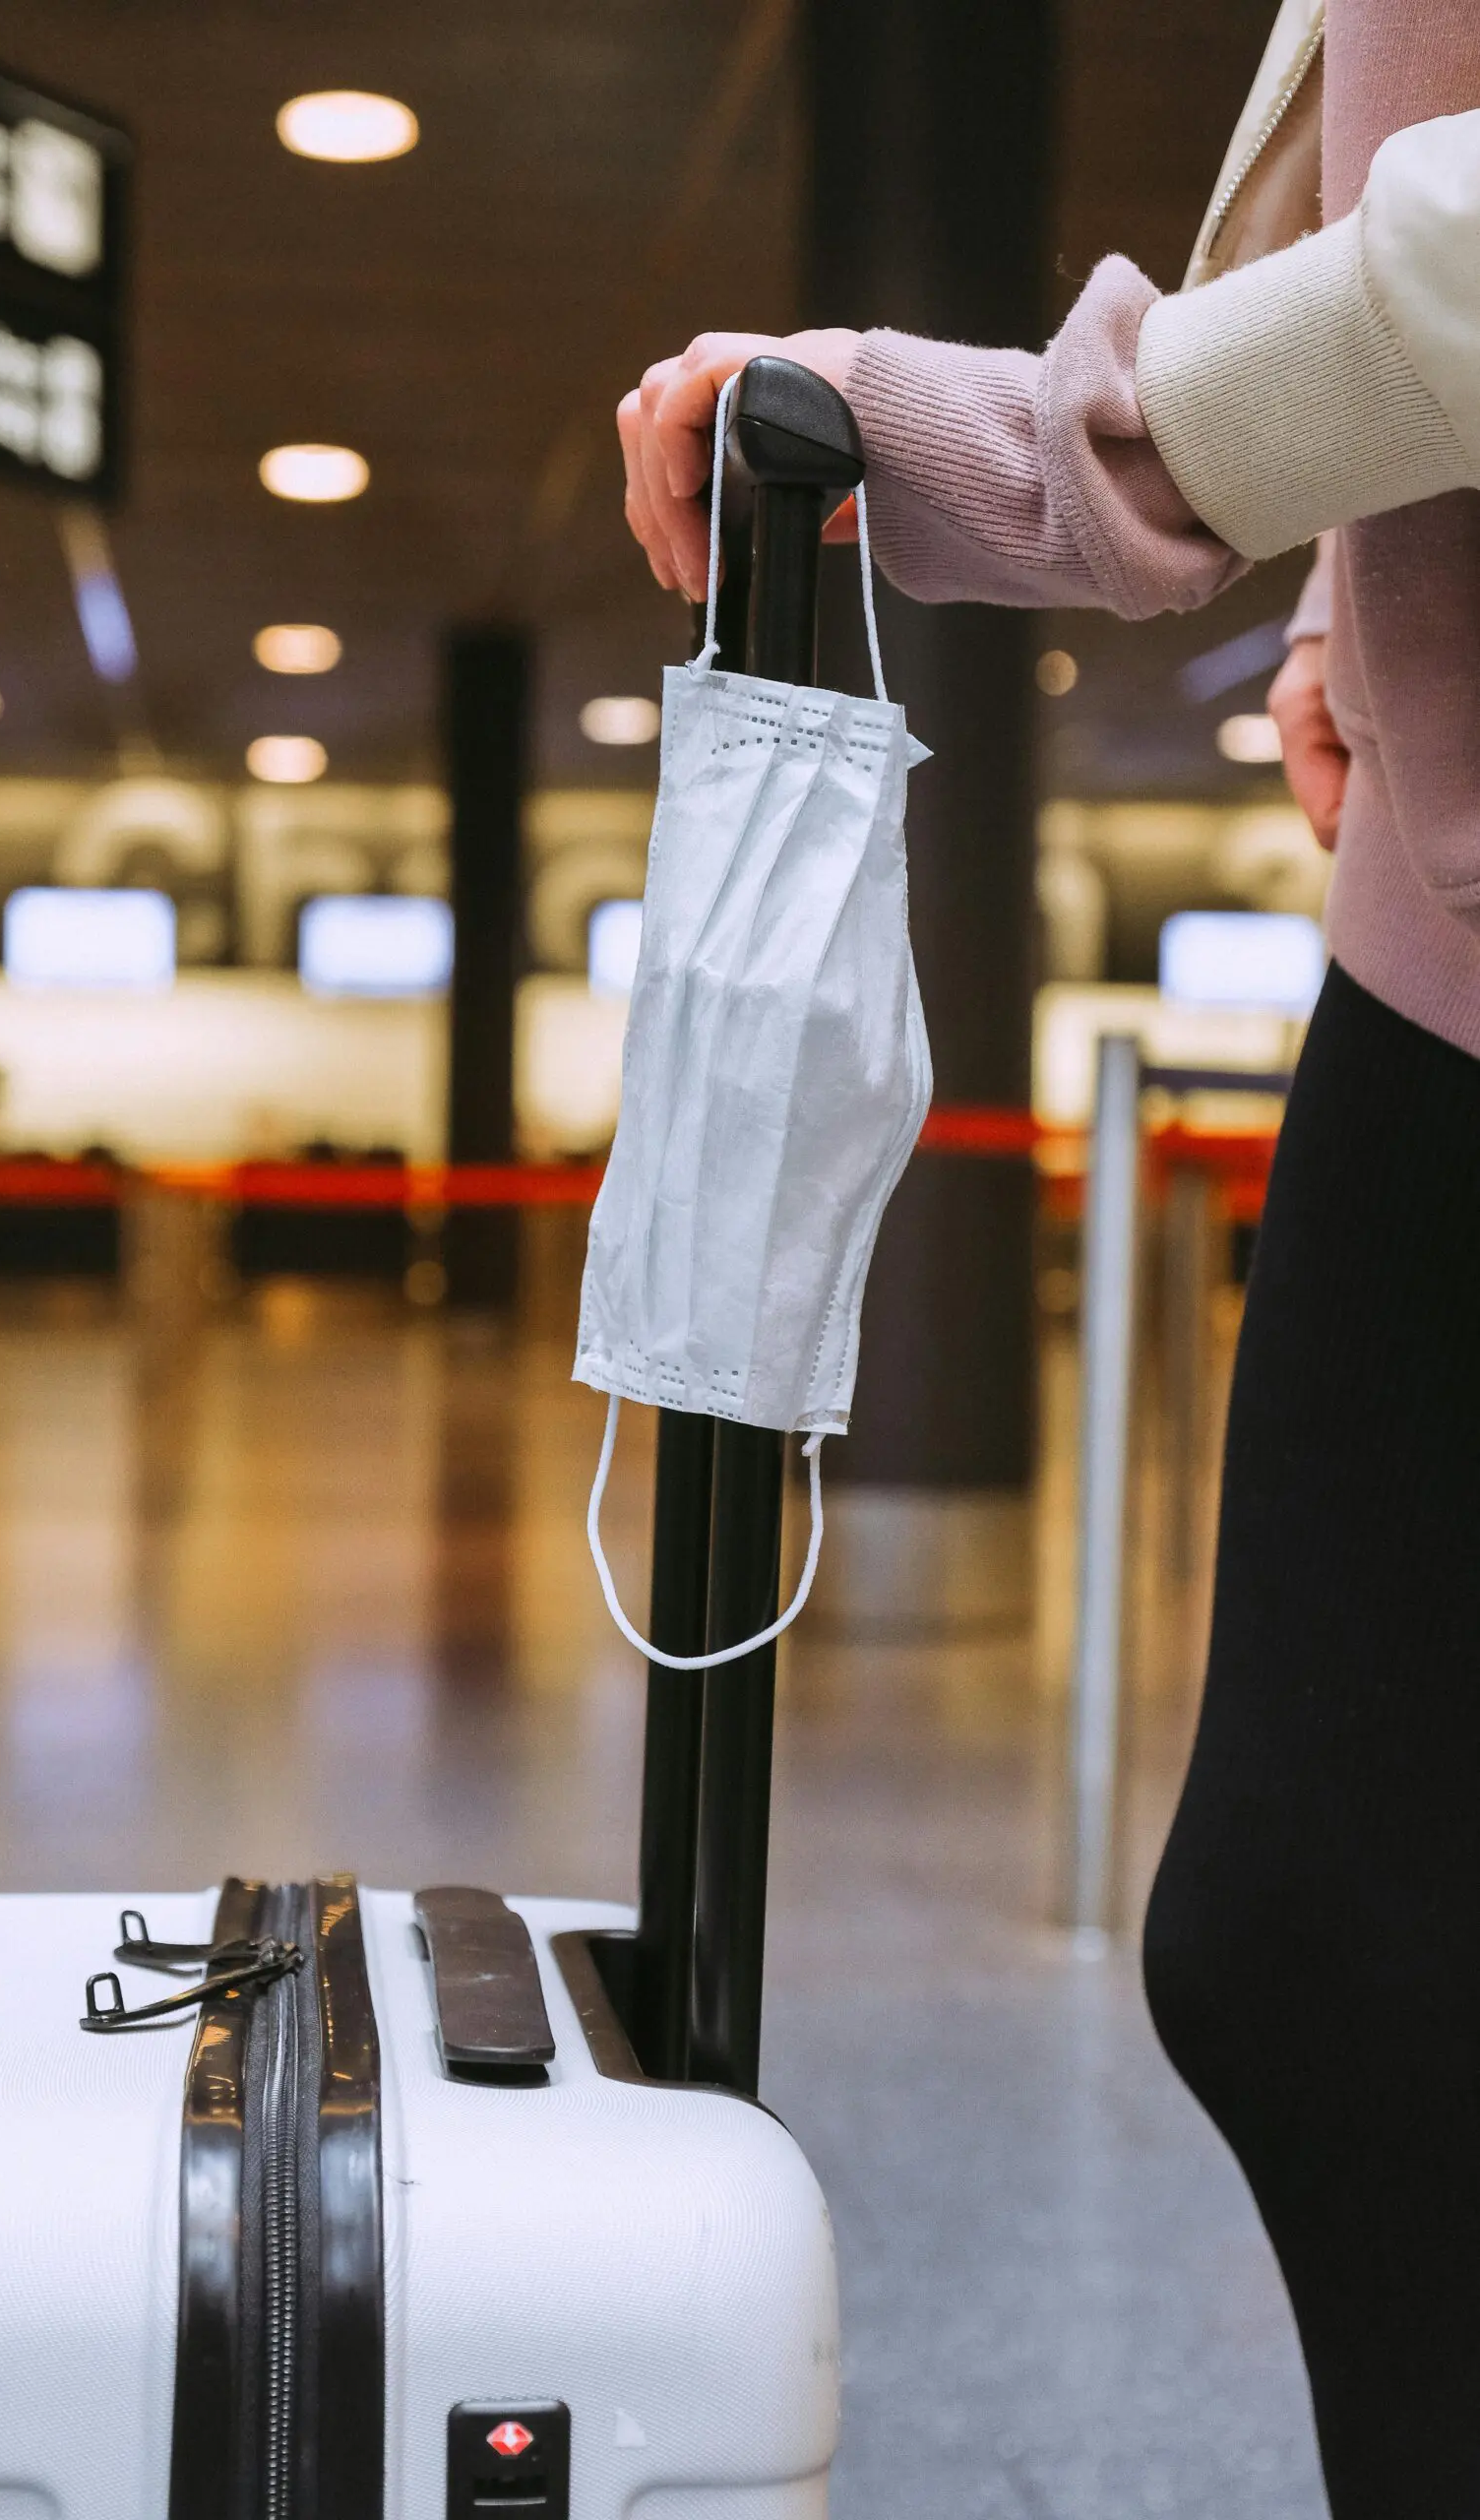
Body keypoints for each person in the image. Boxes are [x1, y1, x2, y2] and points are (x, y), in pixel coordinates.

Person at [618, 8, 1480, 2514]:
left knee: (1330, 1942)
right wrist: (1364, 620)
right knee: (1309, 1945)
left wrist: (1036, 451)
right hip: (1428, 931)